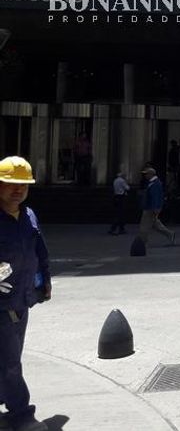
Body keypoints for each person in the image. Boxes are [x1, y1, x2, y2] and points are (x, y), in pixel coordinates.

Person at [0, 156, 52, 431]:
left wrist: (45, 281)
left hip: (22, 298)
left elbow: (39, 250)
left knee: (11, 355)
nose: (18, 190)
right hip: (2, 302)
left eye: (23, 185)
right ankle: (20, 413)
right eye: (11, 184)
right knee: (10, 361)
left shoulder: (29, 215)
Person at [138, 167, 175, 246]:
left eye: (146, 174)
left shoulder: (155, 183)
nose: (145, 175)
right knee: (156, 224)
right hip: (150, 207)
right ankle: (170, 234)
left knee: (144, 226)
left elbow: (155, 197)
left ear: (151, 174)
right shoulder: (153, 182)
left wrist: (155, 207)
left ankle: (142, 241)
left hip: (150, 208)